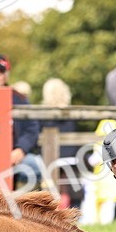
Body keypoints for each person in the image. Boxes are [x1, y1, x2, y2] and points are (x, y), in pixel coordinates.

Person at [0, 53, 43, 190]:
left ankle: (28, 206)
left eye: (1, 71)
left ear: (7, 74)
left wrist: (20, 149)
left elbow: (32, 128)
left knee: (38, 166)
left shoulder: (18, 98)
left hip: (10, 158)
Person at [39, 78, 83, 209]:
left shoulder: (42, 114)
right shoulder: (71, 114)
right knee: (66, 183)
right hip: (70, 159)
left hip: (51, 161)